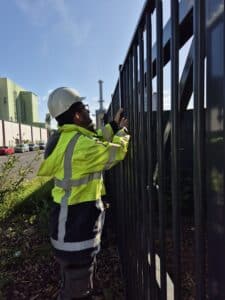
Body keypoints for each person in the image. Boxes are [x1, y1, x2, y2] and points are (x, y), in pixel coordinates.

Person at [37, 87, 130, 300]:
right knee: (77, 291)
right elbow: (113, 152)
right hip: (76, 231)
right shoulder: (79, 145)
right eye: (85, 109)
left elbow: (95, 139)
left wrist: (113, 125)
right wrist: (123, 133)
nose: (89, 113)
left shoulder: (66, 138)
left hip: (67, 227)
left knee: (72, 280)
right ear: (77, 115)